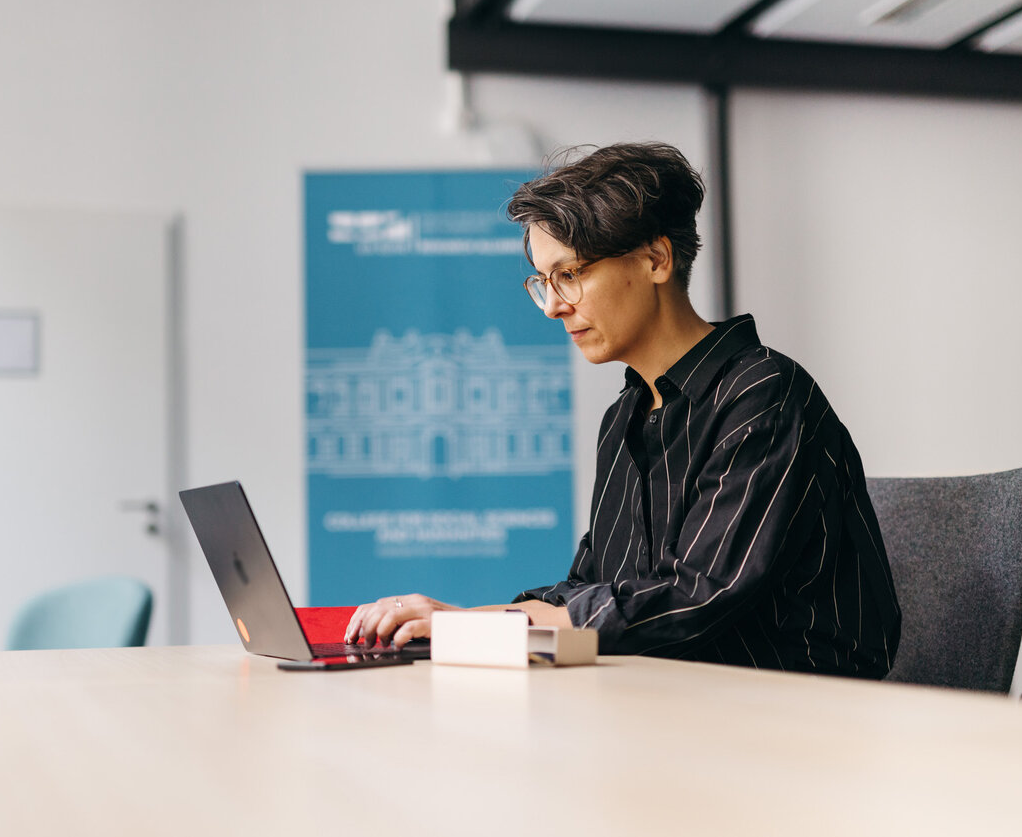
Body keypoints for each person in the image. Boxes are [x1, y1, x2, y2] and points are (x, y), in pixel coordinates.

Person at [346, 141, 900, 678]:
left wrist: (480, 628)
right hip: (667, 701)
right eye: (543, 282)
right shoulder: (628, 415)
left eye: (571, 274)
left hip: (793, 713)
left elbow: (693, 599)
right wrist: (468, 625)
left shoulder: (764, 393)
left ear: (656, 259)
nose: (555, 307)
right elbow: (592, 586)